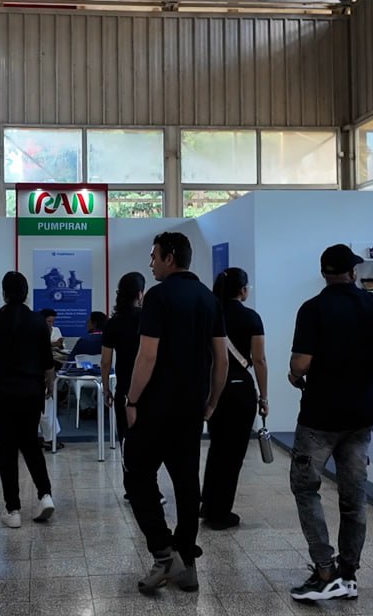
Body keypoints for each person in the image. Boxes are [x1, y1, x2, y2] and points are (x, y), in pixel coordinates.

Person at [287, 244, 373, 603]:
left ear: (323, 273)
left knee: (306, 488)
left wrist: (294, 375)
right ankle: (348, 575)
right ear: (353, 272)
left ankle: (324, 572)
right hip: (361, 414)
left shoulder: (312, 309)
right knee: (354, 497)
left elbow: (301, 363)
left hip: (320, 416)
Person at [124, 232, 227, 595]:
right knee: (186, 484)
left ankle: (164, 554)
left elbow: (147, 355)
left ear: (169, 257)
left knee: (137, 477)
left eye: (154, 256)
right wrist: (212, 402)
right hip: (191, 409)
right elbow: (221, 360)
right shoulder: (209, 299)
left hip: (155, 407)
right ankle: (187, 562)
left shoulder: (158, 296)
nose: (151, 263)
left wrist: (131, 400)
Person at [0, 272, 57, 529]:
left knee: (7, 450)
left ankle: (13, 509)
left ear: (4, 293)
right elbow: (47, 360)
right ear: (26, 293)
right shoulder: (38, 322)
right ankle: (45, 495)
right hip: (30, 391)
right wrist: (49, 384)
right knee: (31, 443)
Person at [200, 268, 268, 531]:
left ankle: (208, 504)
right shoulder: (251, 317)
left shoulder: (210, 314)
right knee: (233, 455)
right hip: (241, 391)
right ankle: (221, 513)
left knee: (217, 448)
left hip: (214, 389)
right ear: (242, 290)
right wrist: (264, 397)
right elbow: (259, 360)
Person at [101, 272, 144, 446]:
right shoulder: (148, 319)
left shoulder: (113, 323)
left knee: (126, 441)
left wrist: (105, 389)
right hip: (149, 389)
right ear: (140, 294)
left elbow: (105, 361)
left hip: (124, 388)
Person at [68, 311, 109, 418]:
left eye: (88, 321)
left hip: (87, 378)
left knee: (76, 375)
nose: (86, 323)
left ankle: (87, 407)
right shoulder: (110, 340)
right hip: (108, 377)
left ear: (94, 323)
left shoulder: (83, 341)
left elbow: (71, 361)